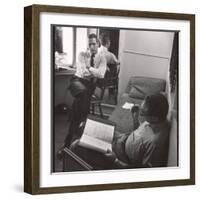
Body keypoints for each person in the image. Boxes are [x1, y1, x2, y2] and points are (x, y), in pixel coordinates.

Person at [69, 93, 170, 169]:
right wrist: (135, 118)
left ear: (154, 118)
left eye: (143, 112)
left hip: (118, 156)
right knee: (84, 126)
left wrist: (115, 161)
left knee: (76, 145)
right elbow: (139, 134)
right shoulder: (156, 120)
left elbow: (141, 171)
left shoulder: (155, 142)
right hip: (121, 138)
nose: (141, 114)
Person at [58, 34, 107, 153]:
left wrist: (89, 67)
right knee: (84, 99)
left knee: (78, 107)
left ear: (98, 43)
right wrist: (92, 72)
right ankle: (77, 141)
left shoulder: (102, 57)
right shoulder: (82, 54)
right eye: (89, 44)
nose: (91, 46)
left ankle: (67, 143)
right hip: (76, 82)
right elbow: (81, 72)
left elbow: (101, 74)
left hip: (88, 87)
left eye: (93, 44)